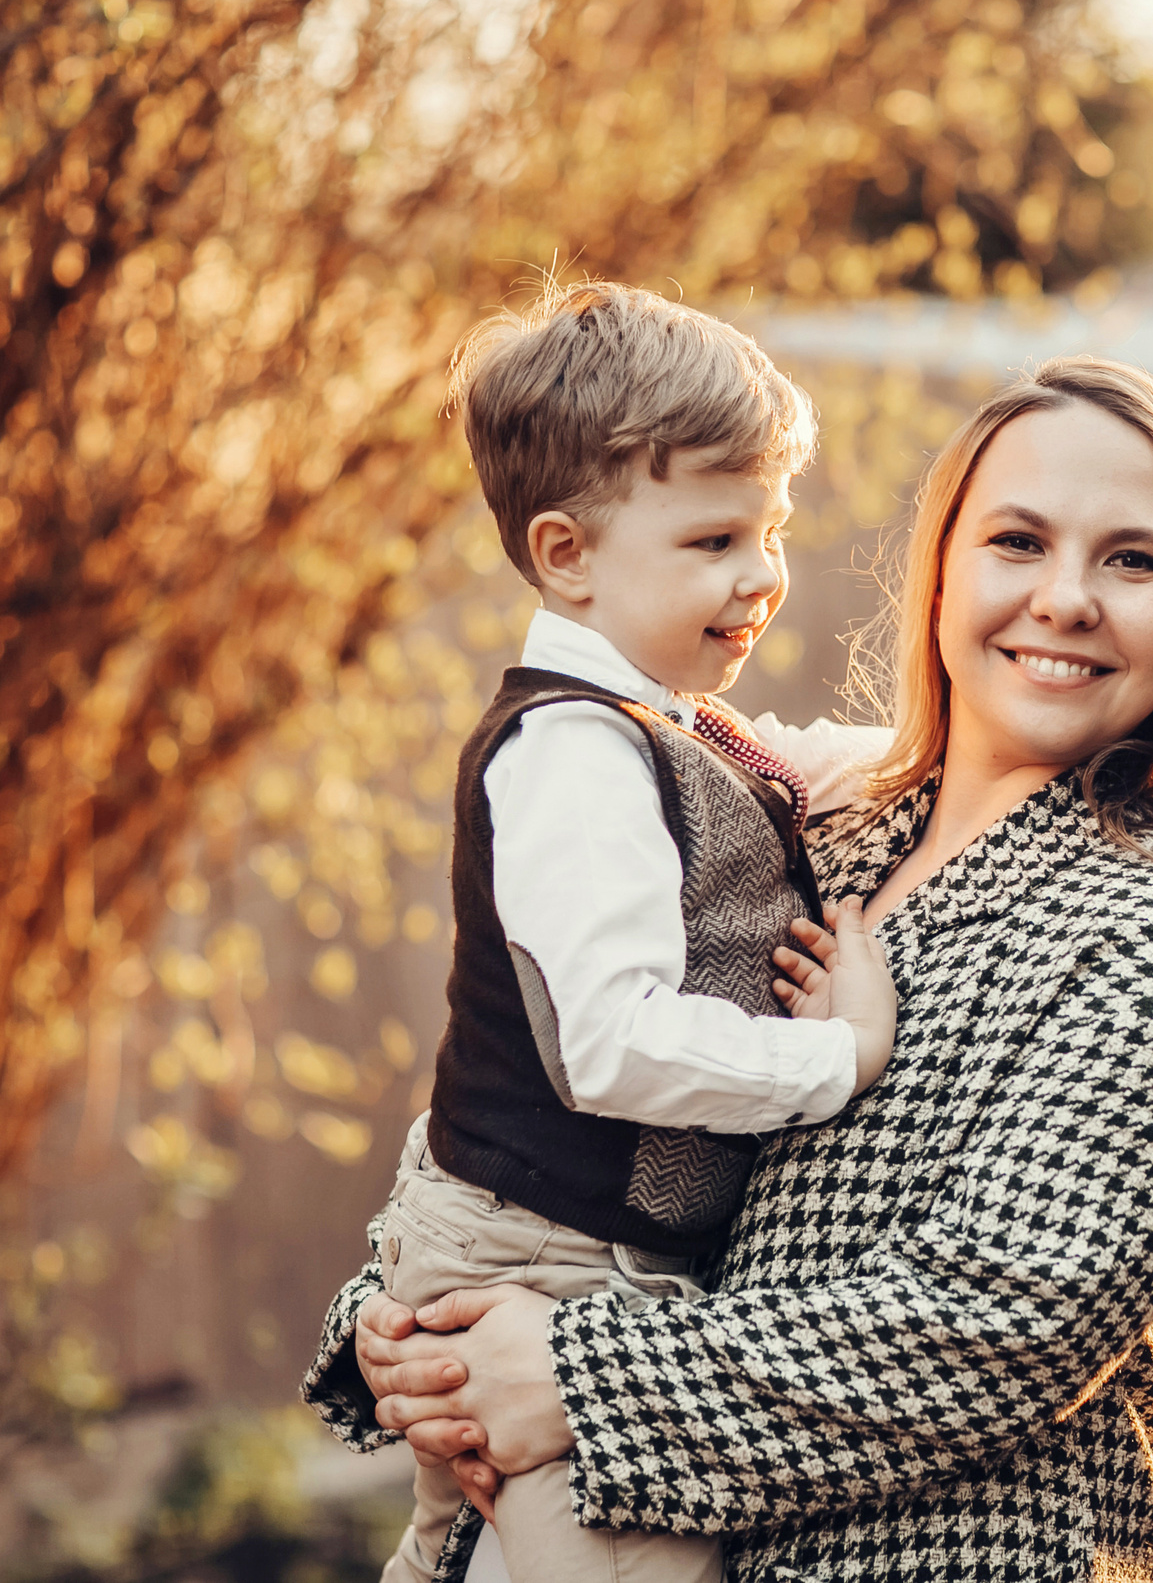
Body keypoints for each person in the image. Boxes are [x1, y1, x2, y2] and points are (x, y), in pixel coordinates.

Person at [305, 357, 1153, 1581]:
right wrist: (408, 1321)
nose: (1064, 599)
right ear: (943, 567)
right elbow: (554, 1072)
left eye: (1132, 560)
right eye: (1017, 541)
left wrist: (575, 1380)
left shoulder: (1146, 941)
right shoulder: (813, 834)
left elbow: (997, 1327)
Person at [338, 278, 900, 1583]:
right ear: (566, 554)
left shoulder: (663, 719)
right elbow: (609, 1045)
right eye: (714, 539)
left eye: (772, 528)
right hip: (546, 1255)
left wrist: (967, 742)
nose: (762, 573)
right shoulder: (570, 753)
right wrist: (842, 1057)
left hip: (562, 1244)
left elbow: (797, 764)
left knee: (457, 1553)